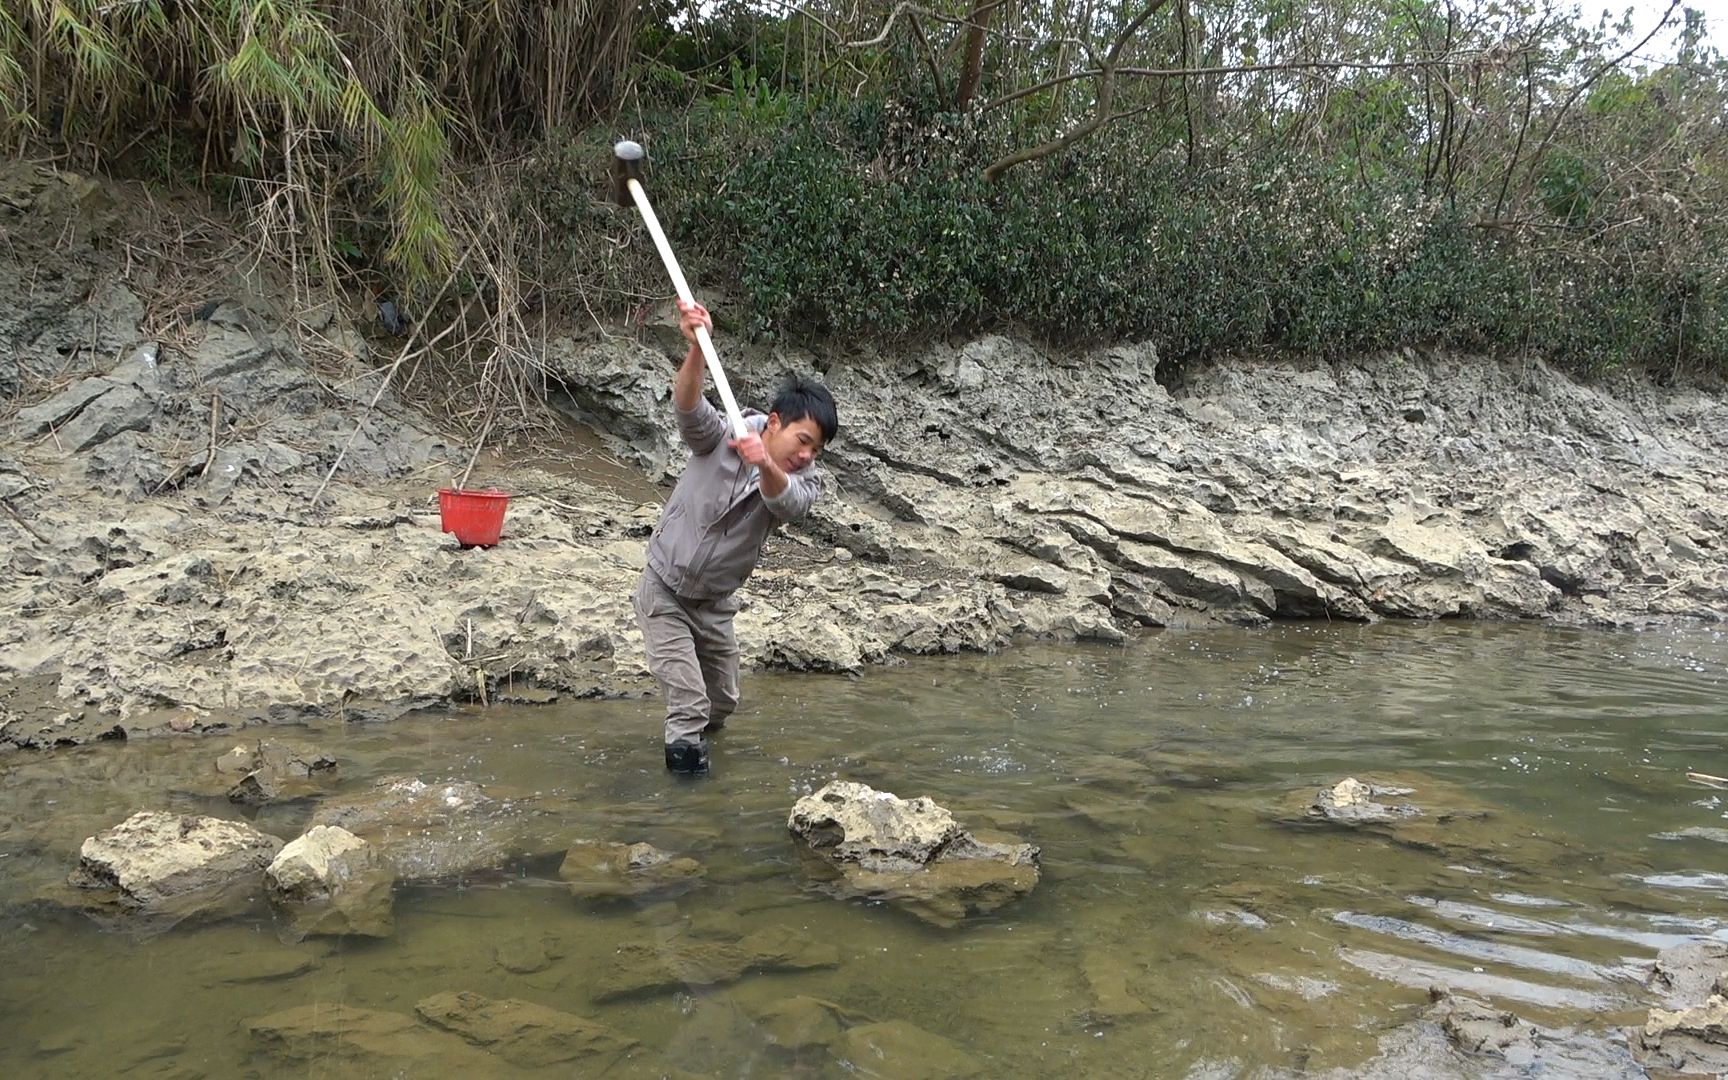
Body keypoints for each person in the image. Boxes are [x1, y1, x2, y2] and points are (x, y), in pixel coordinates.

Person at [635, 299, 838, 774]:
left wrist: (765, 462)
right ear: (773, 422)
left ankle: (705, 756)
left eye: (817, 449)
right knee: (688, 705)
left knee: (721, 702)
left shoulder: (805, 481)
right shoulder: (723, 433)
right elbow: (687, 408)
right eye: (802, 441)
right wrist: (696, 349)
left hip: (716, 604)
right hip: (664, 588)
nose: (807, 455)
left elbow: (785, 502)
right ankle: (687, 815)